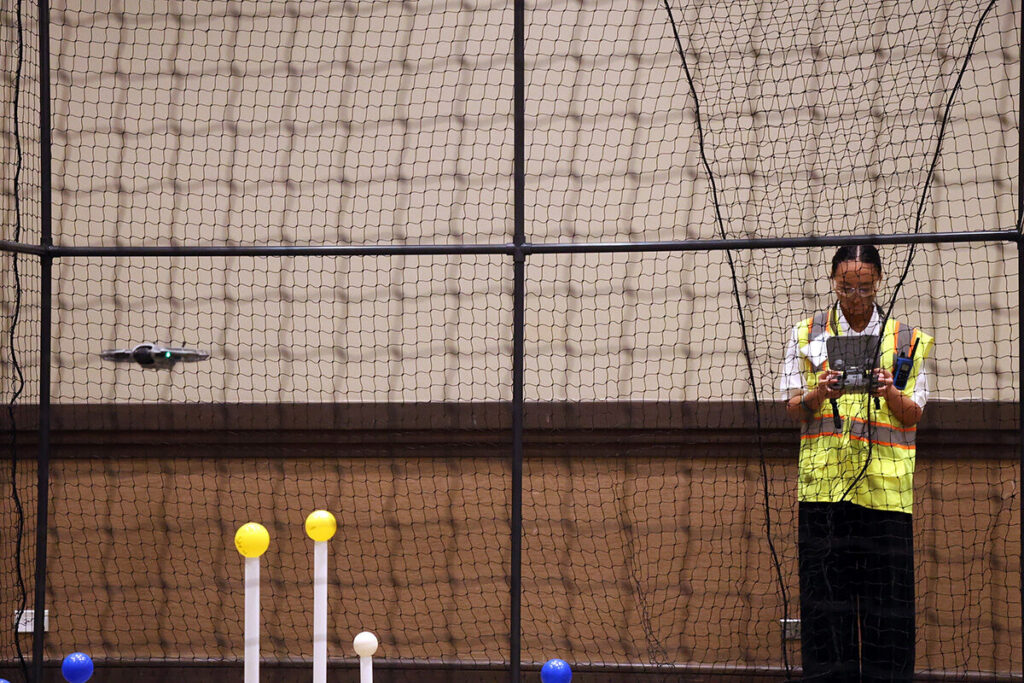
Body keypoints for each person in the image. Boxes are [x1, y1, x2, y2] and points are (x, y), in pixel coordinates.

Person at [780, 245, 934, 683]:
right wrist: (818, 393)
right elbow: (792, 408)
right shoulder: (805, 333)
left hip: (886, 496)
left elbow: (914, 413)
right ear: (833, 280)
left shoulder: (906, 340)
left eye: (864, 287)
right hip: (823, 494)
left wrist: (889, 392)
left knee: (890, 614)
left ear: (879, 282)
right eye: (846, 286)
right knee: (826, 610)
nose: (855, 296)